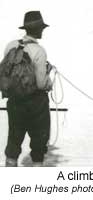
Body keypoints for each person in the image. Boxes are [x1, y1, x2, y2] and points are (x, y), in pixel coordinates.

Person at [3, 11, 53, 167]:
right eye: (41, 28)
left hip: (15, 102)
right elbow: (40, 84)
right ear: (37, 29)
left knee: (13, 142)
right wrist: (49, 79)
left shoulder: (11, 45)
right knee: (38, 145)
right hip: (36, 104)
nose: (42, 31)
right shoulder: (39, 51)